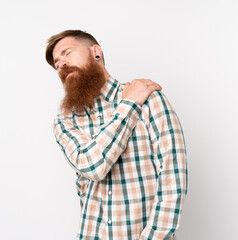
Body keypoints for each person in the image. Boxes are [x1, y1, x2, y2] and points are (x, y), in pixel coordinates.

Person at [45, 30, 188, 240]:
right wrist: (129, 105)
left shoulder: (150, 99)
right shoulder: (65, 121)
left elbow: (173, 178)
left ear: (96, 52)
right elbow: (93, 166)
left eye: (67, 53)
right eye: (57, 64)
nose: (62, 64)